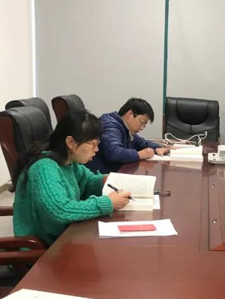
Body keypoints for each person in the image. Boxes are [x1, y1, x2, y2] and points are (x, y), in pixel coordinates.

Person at [13, 110, 130, 246]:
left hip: (65, 237)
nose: (96, 149)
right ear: (70, 142)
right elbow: (60, 210)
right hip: (43, 248)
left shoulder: (69, 163)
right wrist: (107, 203)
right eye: (92, 144)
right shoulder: (45, 167)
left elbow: (88, 182)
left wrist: (104, 180)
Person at [85, 97, 169, 173]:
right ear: (130, 114)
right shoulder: (110, 125)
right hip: (99, 175)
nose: (142, 128)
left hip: (113, 172)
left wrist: (157, 148)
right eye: (142, 122)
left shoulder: (125, 127)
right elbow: (114, 152)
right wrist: (139, 155)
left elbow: (140, 142)